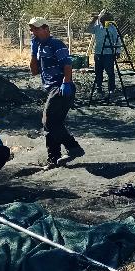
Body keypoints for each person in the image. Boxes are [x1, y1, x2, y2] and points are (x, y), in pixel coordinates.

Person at [28, 17, 85, 169]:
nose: (33, 31)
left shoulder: (56, 44)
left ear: (46, 29)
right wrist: (33, 52)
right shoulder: (39, 46)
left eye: (36, 28)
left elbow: (67, 64)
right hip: (51, 88)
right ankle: (54, 159)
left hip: (60, 87)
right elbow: (34, 71)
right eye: (32, 29)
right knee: (53, 125)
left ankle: (73, 147)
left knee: (48, 122)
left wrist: (66, 82)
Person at [88, 10, 120, 97]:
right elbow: (89, 30)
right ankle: (99, 88)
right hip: (98, 53)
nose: (103, 20)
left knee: (110, 72)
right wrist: (93, 20)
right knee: (98, 71)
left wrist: (117, 51)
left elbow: (117, 40)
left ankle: (111, 89)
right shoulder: (97, 27)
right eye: (102, 19)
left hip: (108, 53)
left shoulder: (112, 28)